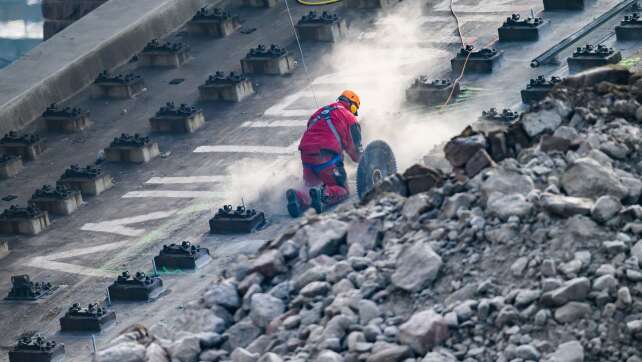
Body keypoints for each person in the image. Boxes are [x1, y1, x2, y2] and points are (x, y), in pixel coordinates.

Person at [286, 90, 363, 217]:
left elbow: (311, 130)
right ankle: (324, 193)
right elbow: (356, 155)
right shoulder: (350, 117)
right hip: (326, 158)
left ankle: (297, 196)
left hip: (306, 157)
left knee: (311, 189)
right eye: (355, 108)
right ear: (352, 105)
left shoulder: (319, 112)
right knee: (343, 190)